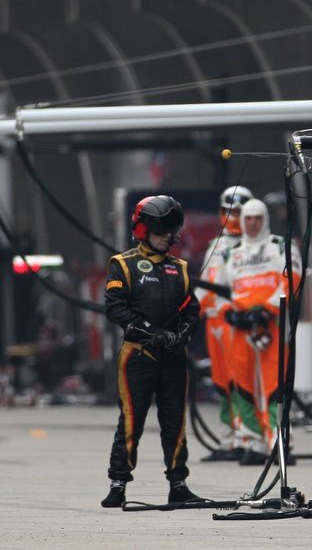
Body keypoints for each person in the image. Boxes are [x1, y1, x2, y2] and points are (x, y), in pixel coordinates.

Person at [101, 195, 201, 508]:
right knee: (131, 421)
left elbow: (192, 309)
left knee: (175, 421)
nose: (168, 236)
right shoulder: (123, 264)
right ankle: (118, 484)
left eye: (172, 230)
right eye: (161, 230)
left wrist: (182, 333)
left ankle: (179, 484)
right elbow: (115, 309)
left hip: (173, 357)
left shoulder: (181, 268)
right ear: (143, 229)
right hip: (137, 357)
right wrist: (152, 332)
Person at [215, 198, 301, 465]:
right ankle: (252, 441)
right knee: (242, 385)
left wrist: (267, 309)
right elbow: (219, 291)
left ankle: (279, 442)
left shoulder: (281, 246)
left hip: (271, 324)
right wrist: (230, 313)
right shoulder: (230, 253)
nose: (252, 223)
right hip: (240, 329)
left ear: (265, 219)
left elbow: (293, 278)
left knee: (276, 385)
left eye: (257, 218)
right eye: (248, 218)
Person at [195, 185, 252, 462]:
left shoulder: (253, 247)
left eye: (238, 212)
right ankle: (228, 439)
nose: (232, 216)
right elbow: (203, 285)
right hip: (214, 323)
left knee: (240, 382)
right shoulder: (215, 245)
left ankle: (246, 438)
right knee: (221, 384)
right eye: (227, 211)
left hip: (238, 323)